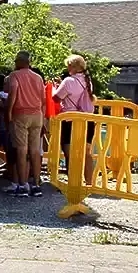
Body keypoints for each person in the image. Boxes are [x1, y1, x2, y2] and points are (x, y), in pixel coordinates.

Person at [6, 51, 47, 198]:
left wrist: (9, 112)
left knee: (22, 150)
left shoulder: (14, 76)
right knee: (35, 150)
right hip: (37, 115)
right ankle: (36, 184)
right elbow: (43, 100)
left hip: (20, 114)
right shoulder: (38, 78)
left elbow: (13, 94)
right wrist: (43, 119)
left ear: (18, 62)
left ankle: (23, 185)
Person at [52, 55, 96, 185]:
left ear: (73, 67)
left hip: (69, 119)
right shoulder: (88, 81)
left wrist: (56, 87)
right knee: (87, 153)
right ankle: (89, 182)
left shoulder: (68, 81)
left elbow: (56, 98)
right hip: (87, 119)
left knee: (69, 153)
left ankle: (73, 182)